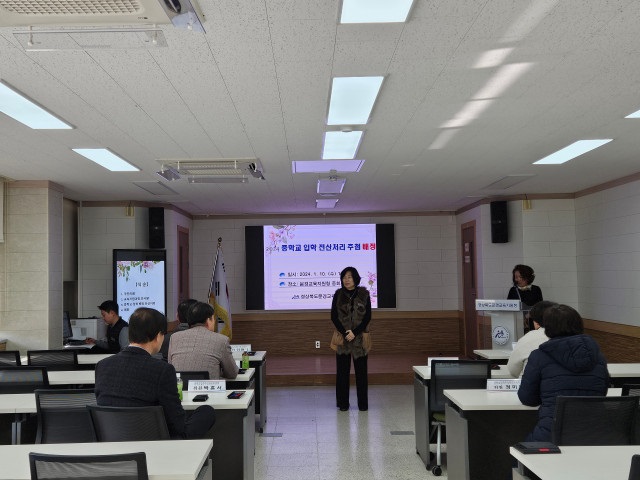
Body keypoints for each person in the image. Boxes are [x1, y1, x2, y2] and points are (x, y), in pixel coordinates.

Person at [95, 307, 216, 439]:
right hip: (156, 442)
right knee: (206, 411)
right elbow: (177, 425)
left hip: (113, 439)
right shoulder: (162, 370)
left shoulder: (102, 366)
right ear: (158, 336)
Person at [518, 304, 609, 442]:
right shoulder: (598, 357)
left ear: (548, 328)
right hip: (596, 434)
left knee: (518, 452)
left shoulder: (539, 356)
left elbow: (527, 398)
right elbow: (602, 391)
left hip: (552, 434)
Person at [331, 266, 371, 412]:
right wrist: (345, 332)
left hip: (359, 338)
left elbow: (368, 316)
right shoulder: (338, 294)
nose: (346, 280)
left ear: (355, 278)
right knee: (342, 373)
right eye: (344, 277)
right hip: (343, 339)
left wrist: (354, 332)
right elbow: (333, 316)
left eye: (349, 277)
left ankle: (363, 405)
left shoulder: (364, 294)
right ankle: (343, 404)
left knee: (361, 373)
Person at [168, 301, 239, 380]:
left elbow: (171, 368)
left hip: (180, 387)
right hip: (209, 387)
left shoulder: (174, 337)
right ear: (208, 320)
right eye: (213, 319)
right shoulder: (221, 340)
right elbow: (232, 373)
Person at [506, 301, 556, 377]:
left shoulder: (529, 337)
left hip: (531, 382)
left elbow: (512, 370)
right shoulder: (570, 337)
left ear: (536, 322)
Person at [507, 264, 543, 333]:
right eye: (515, 277)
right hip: (517, 324)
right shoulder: (513, 290)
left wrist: (528, 315)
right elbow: (509, 307)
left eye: (520, 277)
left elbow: (540, 307)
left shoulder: (536, 289)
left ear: (527, 277)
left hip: (533, 323)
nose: (517, 279)